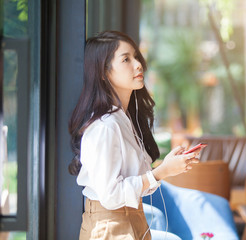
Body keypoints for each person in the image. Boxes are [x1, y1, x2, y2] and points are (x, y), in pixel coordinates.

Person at [68, 30, 199, 240]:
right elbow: (111, 196)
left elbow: (133, 184)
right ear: (104, 71)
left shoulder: (124, 120)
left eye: (136, 57)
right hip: (111, 225)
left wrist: (166, 167)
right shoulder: (105, 126)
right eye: (126, 59)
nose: (138, 64)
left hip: (132, 218)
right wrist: (160, 173)